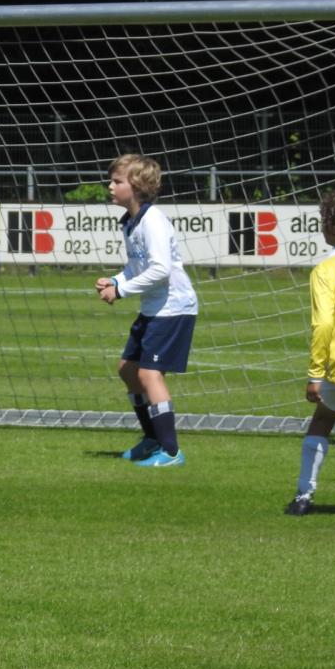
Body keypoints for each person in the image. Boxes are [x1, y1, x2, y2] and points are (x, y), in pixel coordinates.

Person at [95, 153, 198, 468]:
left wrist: (121, 291)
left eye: (117, 181)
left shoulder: (153, 220)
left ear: (137, 186)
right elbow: (137, 266)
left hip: (173, 307)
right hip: (156, 308)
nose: (110, 186)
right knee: (128, 370)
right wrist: (116, 279)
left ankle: (170, 451)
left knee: (148, 374)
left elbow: (160, 270)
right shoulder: (131, 222)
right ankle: (152, 438)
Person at [285, 190, 335, 516]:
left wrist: (315, 374)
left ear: (333, 228)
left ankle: (304, 496)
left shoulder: (326, 270)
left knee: (322, 420)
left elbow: (322, 326)